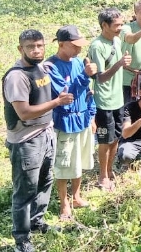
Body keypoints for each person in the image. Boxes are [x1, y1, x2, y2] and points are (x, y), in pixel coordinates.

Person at [3, 29, 74, 252]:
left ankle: (37, 221)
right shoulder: (17, 77)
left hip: (46, 133)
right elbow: (24, 112)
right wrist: (57, 103)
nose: (36, 50)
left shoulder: (40, 68)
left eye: (40, 46)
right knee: (25, 190)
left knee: (45, 182)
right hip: (26, 140)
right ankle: (22, 239)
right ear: (20, 49)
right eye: (31, 47)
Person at [46, 25, 97, 220]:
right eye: (75, 46)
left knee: (80, 160)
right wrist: (85, 75)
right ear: (61, 44)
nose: (79, 49)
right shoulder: (50, 67)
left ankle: (76, 195)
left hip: (82, 118)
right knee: (64, 163)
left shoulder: (78, 62)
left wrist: (92, 116)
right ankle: (64, 202)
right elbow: (66, 95)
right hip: (65, 121)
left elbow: (87, 93)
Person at [88, 8, 132, 191]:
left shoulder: (116, 39)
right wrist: (119, 64)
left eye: (121, 24)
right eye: (116, 25)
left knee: (116, 138)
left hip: (117, 99)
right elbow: (100, 77)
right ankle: (102, 176)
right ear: (104, 25)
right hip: (103, 100)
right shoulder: (97, 46)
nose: (120, 28)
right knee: (105, 139)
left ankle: (109, 168)